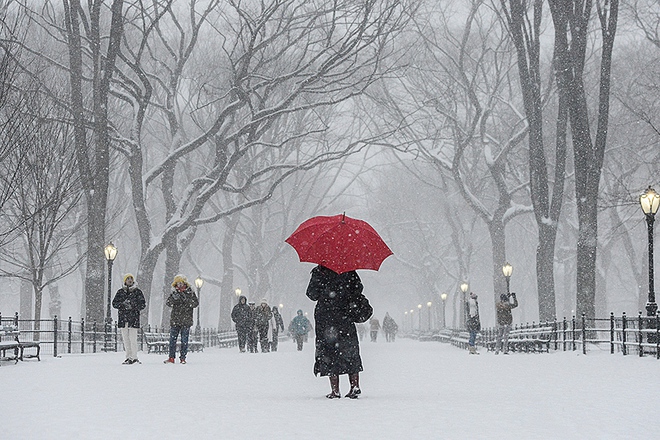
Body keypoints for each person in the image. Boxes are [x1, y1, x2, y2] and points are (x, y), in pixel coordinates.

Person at [306, 265, 373, 399]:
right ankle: (354, 386)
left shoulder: (320, 271)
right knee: (350, 351)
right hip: (345, 317)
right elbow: (358, 289)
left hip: (327, 318)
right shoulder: (349, 270)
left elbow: (312, 294)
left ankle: (335, 390)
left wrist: (324, 287)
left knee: (329, 353)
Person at [164, 275, 199, 364]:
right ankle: (171, 357)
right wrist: (174, 299)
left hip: (186, 320)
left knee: (184, 340)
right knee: (172, 340)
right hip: (175, 320)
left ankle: (183, 358)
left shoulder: (190, 292)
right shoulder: (174, 293)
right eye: (178, 283)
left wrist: (186, 300)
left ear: (184, 283)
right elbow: (168, 303)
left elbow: (195, 303)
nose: (179, 285)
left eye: (181, 283)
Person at [112, 273, 146, 364]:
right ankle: (128, 356)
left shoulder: (138, 292)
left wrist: (132, 305)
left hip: (133, 318)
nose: (130, 280)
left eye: (131, 278)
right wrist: (123, 305)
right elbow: (114, 303)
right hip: (123, 319)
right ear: (125, 281)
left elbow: (142, 304)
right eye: (128, 279)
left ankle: (134, 357)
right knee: (125, 339)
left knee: (133, 339)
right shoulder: (120, 292)